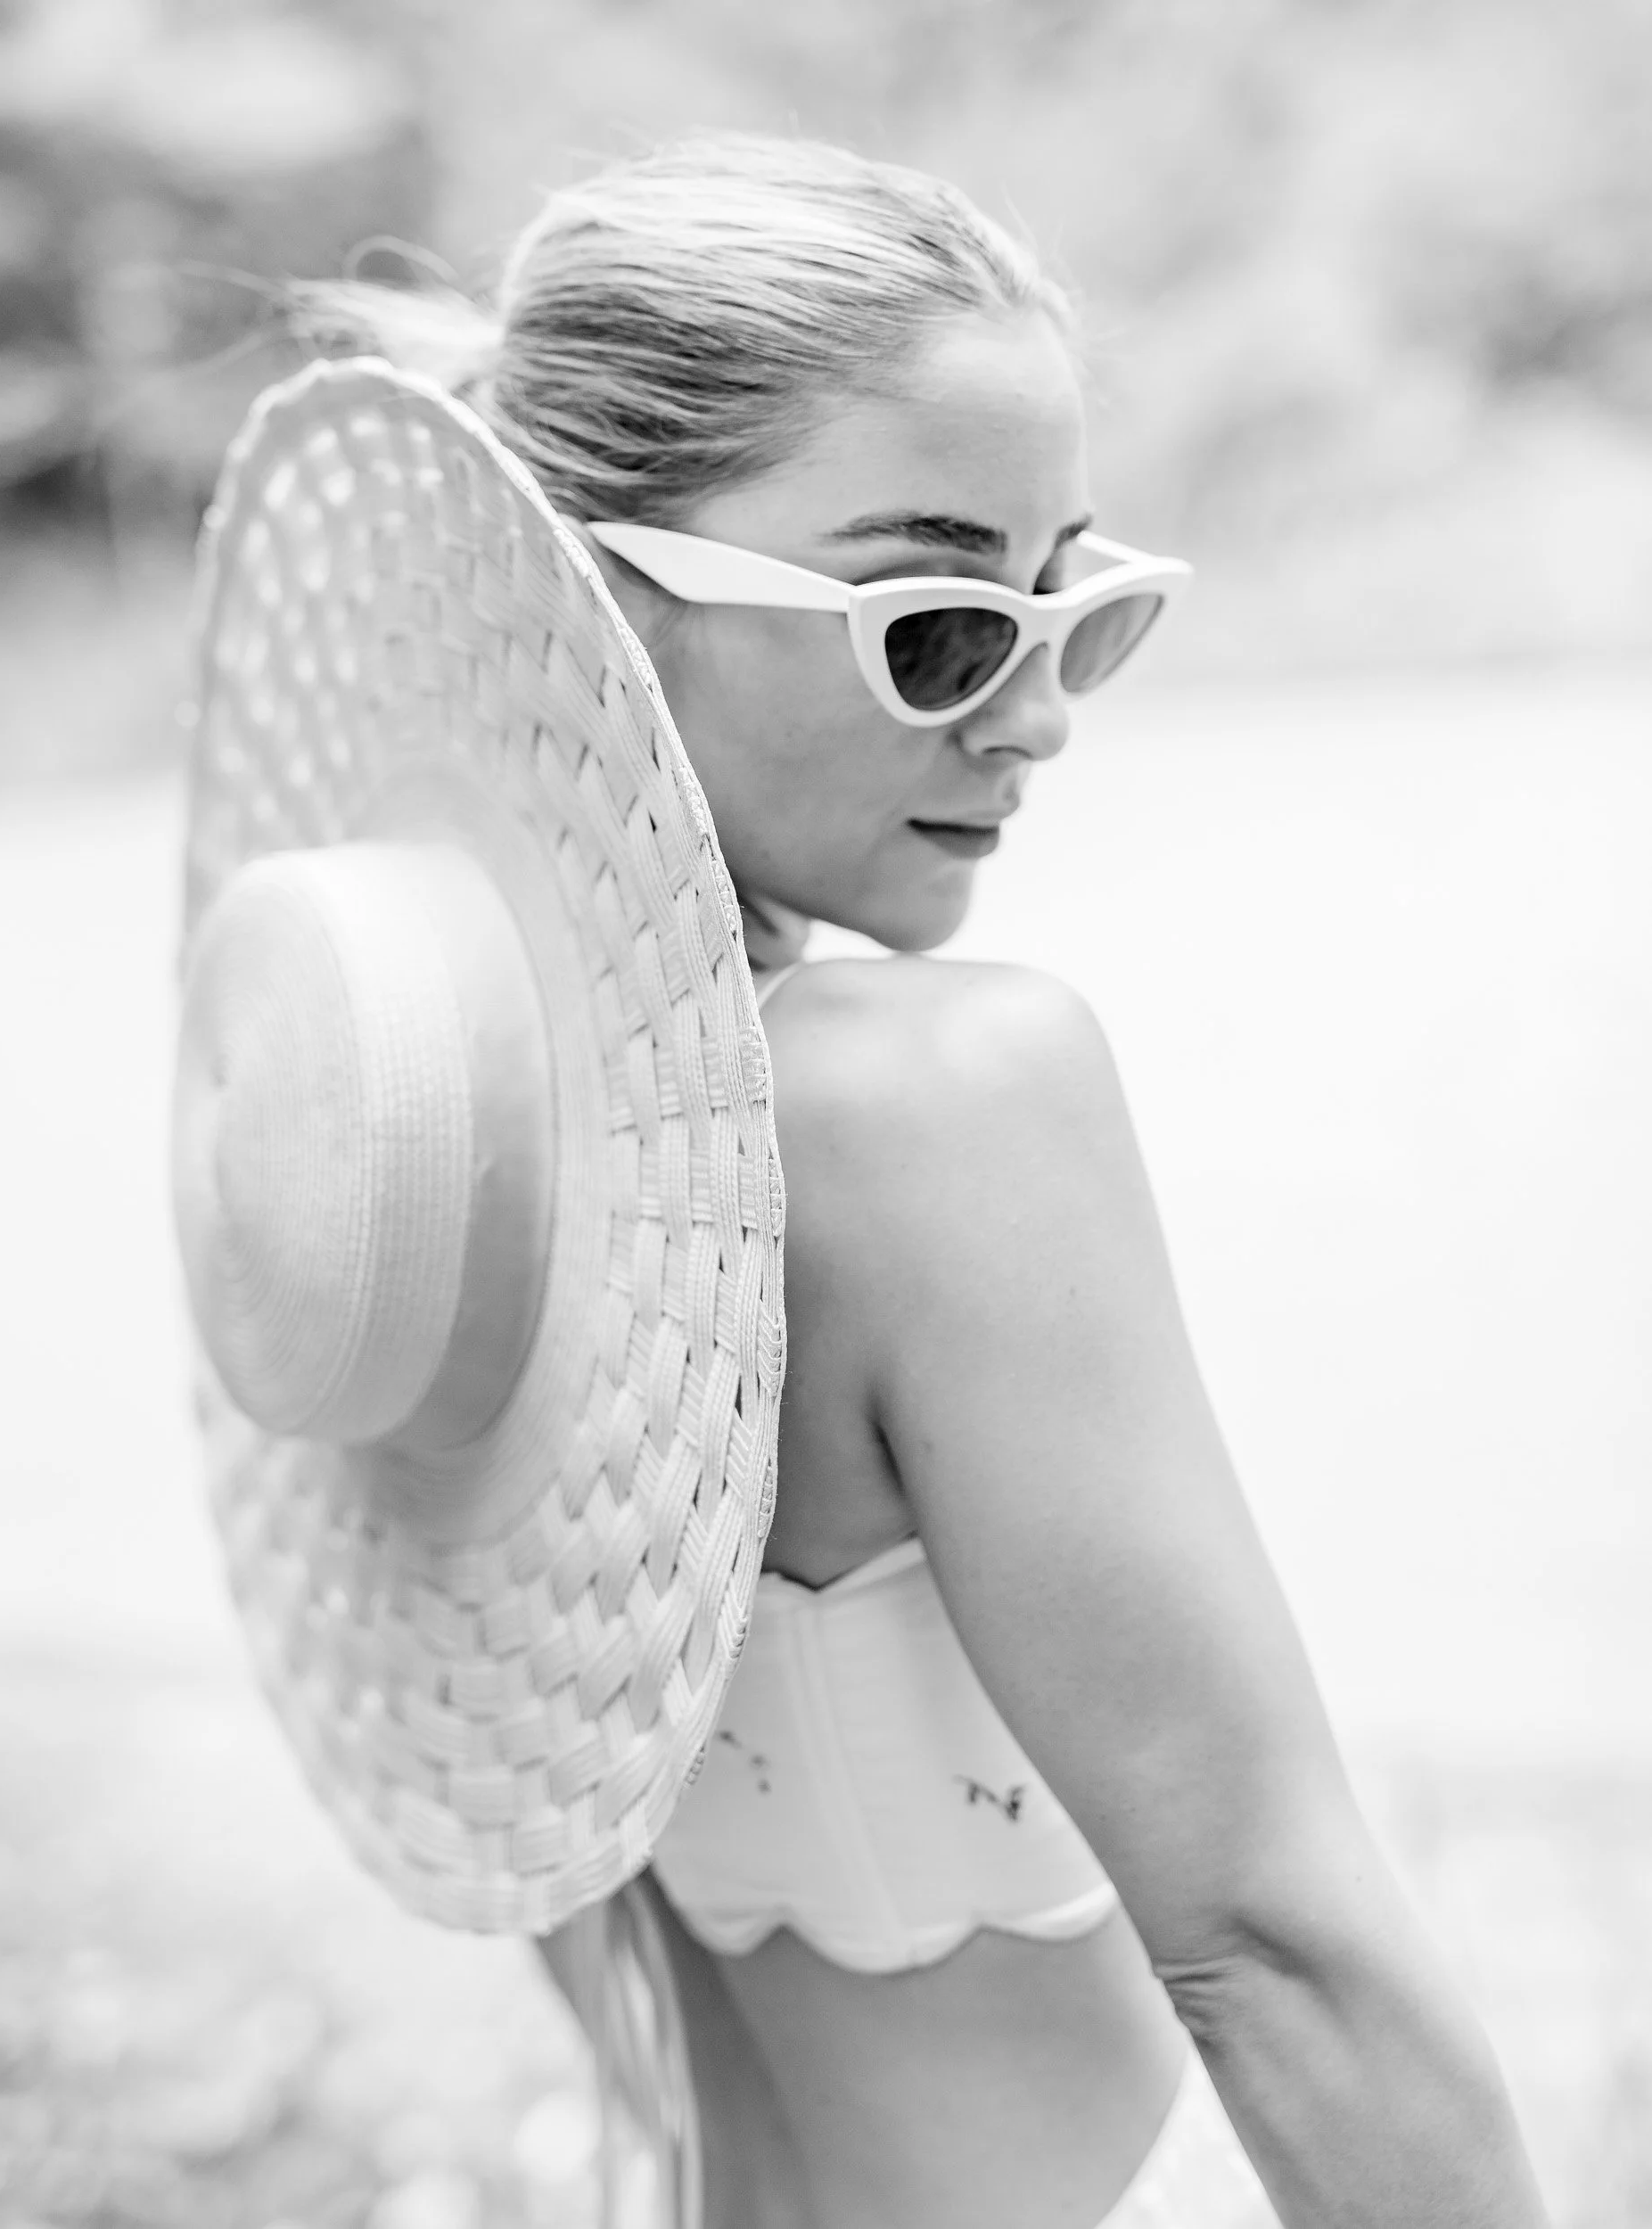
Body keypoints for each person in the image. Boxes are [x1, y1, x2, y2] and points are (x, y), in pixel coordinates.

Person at [308, 133, 1550, 2229]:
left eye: (1076, 600)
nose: (1042, 710)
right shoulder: (931, 1100)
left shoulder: (388, 1144)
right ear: (607, 605)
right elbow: (1272, 1943)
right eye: (939, 623)